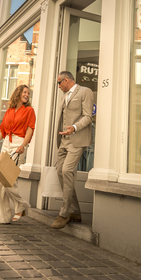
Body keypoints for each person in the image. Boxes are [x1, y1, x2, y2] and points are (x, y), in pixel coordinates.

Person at [0, 84, 34, 224]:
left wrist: (23, 145)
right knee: (0, 181)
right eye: (25, 92)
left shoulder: (29, 110)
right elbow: (2, 131)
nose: (27, 95)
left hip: (19, 142)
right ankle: (3, 217)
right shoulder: (9, 111)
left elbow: (30, 129)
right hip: (7, 143)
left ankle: (20, 204)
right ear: (18, 93)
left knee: (8, 177)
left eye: (28, 93)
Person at [53, 70, 93, 229]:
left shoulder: (85, 92)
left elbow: (88, 116)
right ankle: (75, 210)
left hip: (77, 139)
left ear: (67, 80)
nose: (58, 86)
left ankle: (64, 214)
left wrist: (74, 128)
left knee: (67, 171)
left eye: (59, 83)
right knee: (60, 172)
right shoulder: (64, 96)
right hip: (64, 140)